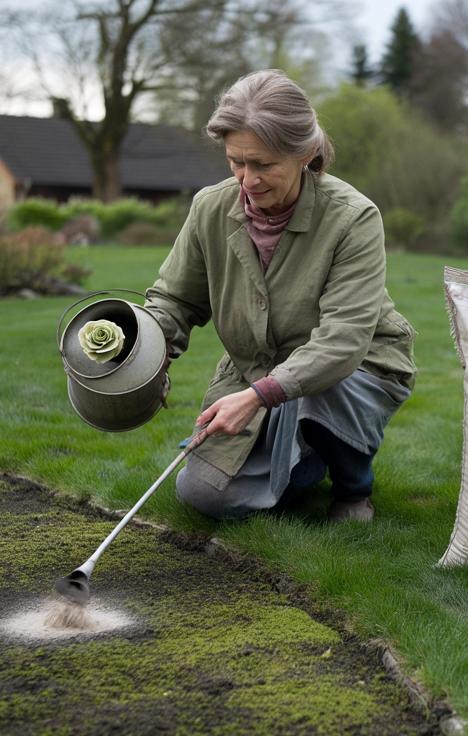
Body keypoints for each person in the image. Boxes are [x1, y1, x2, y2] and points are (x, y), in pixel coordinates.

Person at [143, 69, 416, 523]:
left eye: (263, 164)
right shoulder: (209, 208)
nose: (247, 180)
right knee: (204, 495)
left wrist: (257, 397)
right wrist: (141, 349)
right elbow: (175, 301)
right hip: (257, 371)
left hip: (356, 369)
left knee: (319, 393)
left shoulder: (354, 217)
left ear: (305, 153)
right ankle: (305, 454)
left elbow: (343, 339)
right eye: (236, 162)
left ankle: (353, 486)